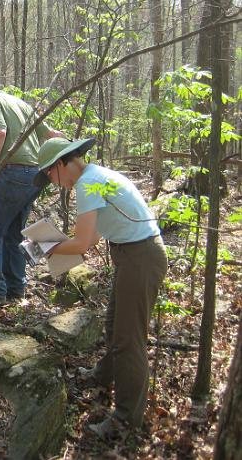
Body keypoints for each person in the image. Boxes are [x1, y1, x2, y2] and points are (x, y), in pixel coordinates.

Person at [34, 137, 167, 439]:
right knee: (114, 326)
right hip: (134, 254)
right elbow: (91, 240)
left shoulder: (87, 183)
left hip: (140, 257)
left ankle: (125, 418)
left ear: (59, 165)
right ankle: (103, 375)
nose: (53, 183)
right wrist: (50, 247)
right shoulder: (95, 177)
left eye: (49, 175)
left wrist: (44, 247)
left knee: (129, 340)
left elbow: (81, 244)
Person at [0, 77, 62, 304]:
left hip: (13, 172)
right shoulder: (20, 104)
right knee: (12, 233)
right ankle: (15, 287)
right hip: (36, 174)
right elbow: (51, 135)